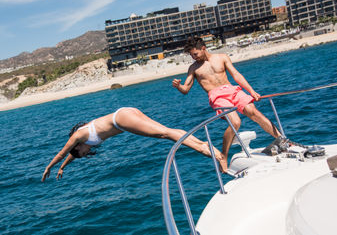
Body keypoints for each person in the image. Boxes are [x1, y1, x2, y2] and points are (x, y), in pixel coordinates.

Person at [172, 38, 281, 172]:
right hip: (216, 96)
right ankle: (224, 156)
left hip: (232, 90)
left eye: (195, 54)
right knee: (235, 122)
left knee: (254, 113)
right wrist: (178, 86)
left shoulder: (221, 57)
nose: (193, 57)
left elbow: (236, 75)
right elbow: (186, 89)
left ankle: (282, 140)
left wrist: (251, 91)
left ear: (203, 48)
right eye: (191, 55)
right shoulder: (194, 68)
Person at [41, 107, 225, 181]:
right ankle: (207, 147)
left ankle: (213, 154)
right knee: (167, 132)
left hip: (121, 119)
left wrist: (50, 167)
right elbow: (70, 155)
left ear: (78, 146)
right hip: (125, 113)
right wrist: (63, 168)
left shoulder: (79, 136)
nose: (87, 152)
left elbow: (62, 153)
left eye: (83, 153)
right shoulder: (82, 140)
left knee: (165, 134)